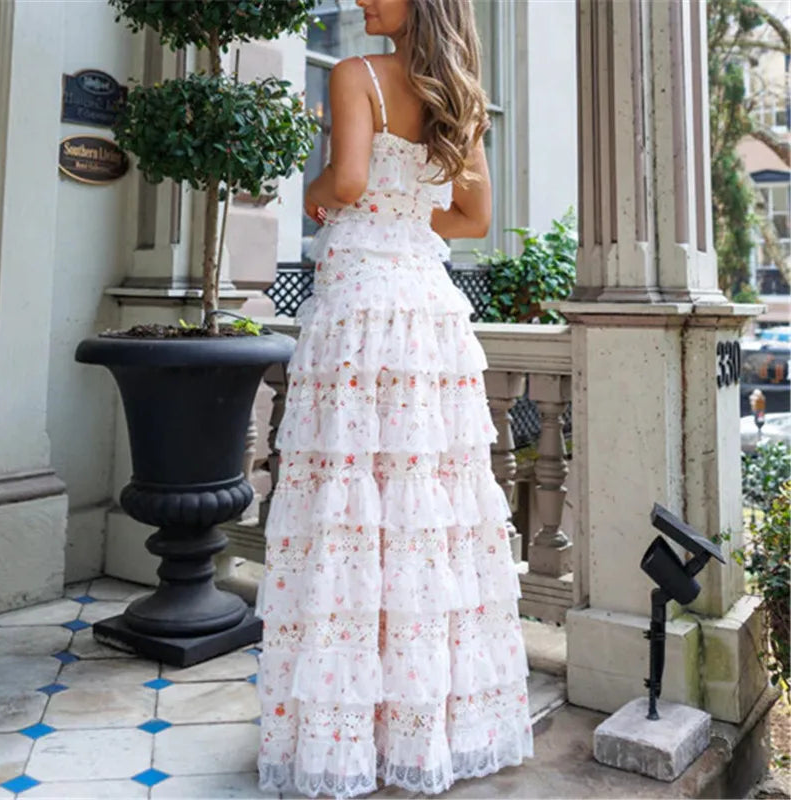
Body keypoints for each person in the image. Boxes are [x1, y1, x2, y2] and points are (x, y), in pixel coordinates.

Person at [256, 1, 532, 796]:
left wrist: (319, 194)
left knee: (351, 510)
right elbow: (473, 218)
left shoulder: (354, 75)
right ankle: (425, 734)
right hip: (431, 314)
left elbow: (344, 180)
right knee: (423, 516)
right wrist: (410, 205)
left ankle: (351, 742)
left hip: (361, 314)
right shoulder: (460, 94)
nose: (360, 1)